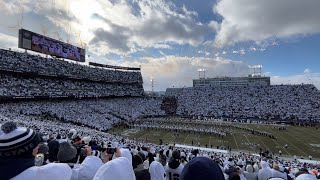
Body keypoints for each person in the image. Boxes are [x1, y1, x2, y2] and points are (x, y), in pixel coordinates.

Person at [0, 121, 72, 180]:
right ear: (26, 149)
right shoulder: (37, 174)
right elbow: (65, 170)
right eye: (36, 144)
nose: (38, 147)